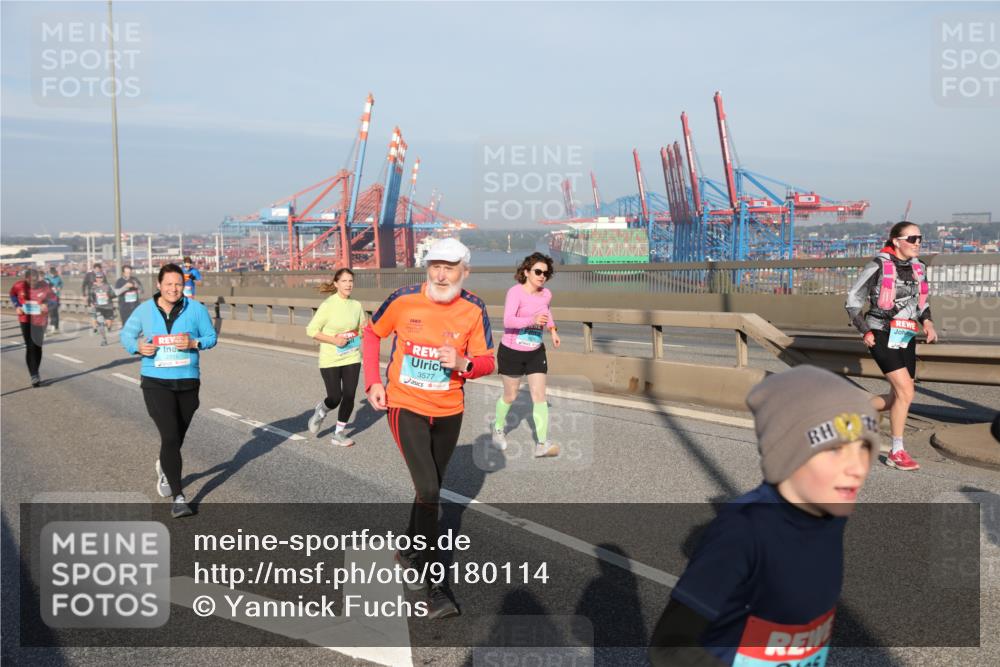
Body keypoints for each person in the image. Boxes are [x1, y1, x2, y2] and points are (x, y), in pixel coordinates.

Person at [649, 365, 877, 666]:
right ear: (788, 452)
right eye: (836, 449)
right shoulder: (743, 530)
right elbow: (668, 648)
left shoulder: (831, 517)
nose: (858, 468)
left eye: (864, 448)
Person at [362, 237, 495, 619]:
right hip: (406, 405)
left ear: (464, 272)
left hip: (449, 410)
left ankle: (407, 550)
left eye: (449, 267)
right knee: (430, 490)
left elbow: (489, 361)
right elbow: (371, 333)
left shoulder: (473, 309)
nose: (440, 274)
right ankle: (431, 586)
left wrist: (463, 362)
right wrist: (373, 381)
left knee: (427, 494)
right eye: (435, 265)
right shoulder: (403, 300)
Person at [120, 263, 217, 519]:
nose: (174, 289)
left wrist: (195, 342)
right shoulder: (144, 310)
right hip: (155, 380)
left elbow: (211, 338)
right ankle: (179, 497)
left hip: (187, 381)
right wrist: (139, 347)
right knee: (171, 436)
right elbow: (126, 336)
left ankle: (164, 464)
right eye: (169, 284)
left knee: (175, 438)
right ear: (159, 285)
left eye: (178, 284)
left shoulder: (196, 309)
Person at [845, 221, 936, 472]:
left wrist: (928, 323)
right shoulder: (878, 265)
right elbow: (853, 301)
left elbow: (921, 302)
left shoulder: (920, 267)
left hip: (904, 334)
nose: (918, 243)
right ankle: (896, 451)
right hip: (880, 333)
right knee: (907, 391)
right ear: (896, 241)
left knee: (896, 396)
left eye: (920, 238)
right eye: (912, 238)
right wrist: (865, 331)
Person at [492, 252, 561, 457]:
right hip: (512, 351)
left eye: (545, 273)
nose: (542, 276)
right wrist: (532, 319)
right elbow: (508, 321)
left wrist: (553, 330)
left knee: (539, 396)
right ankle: (497, 429)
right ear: (526, 272)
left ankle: (542, 443)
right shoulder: (515, 292)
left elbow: (546, 312)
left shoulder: (546, 294)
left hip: (535, 351)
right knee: (510, 395)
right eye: (538, 272)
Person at [306, 268, 366, 446]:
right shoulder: (328, 305)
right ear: (336, 284)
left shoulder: (356, 305)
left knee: (349, 395)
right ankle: (321, 411)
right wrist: (334, 340)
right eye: (345, 281)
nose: (348, 284)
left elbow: (362, 330)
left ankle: (339, 433)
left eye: (351, 281)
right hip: (330, 358)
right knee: (335, 397)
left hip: (351, 356)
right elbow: (311, 330)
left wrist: (362, 331)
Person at [9, 269, 56, 387]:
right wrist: (17, 306)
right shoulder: (19, 285)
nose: (33, 283)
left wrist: (47, 305)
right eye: (31, 281)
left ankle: (35, 371)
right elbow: (12, 294)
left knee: (37, 346)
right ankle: (34, 375)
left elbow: (54, 299)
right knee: (30, 346)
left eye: (35, 280)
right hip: (25, 319)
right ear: (26, 279)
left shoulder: (44, 285)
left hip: (40, 320)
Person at [87, 272, 117, 345]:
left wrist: (108, 296)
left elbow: (114, 295)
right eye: (97, 277)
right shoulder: (93, 287)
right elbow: (91, 296)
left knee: (109, 323)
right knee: (101, 323)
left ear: (103, 278)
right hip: (98, 307)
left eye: (101, 277)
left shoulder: (108, 286)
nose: (99, 279)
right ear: (96, 278)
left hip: (108, 307)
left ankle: (109, 327)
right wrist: (91, 303)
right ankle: (104, 339)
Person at [81, 261, 103, 333]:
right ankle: (94, 327)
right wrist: (84, 295)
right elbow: (84, 285)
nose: (97, 270)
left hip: (100, 296)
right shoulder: (89, 275)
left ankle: (98, 323)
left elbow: (106, 285)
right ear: (94, 269)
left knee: (99, 312)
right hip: (91, 296)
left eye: (99, 269)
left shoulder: (102, 276)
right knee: (93, 312)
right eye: (96, 269)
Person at [44, 266, 63, 333]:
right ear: (49, 272)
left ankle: (55, 327)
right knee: (49, 313)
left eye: (54, 273)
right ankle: (48, 327)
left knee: (55, 312)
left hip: (56, 296)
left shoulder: (58, 278)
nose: (53, 274)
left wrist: (59, 287)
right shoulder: (46, 277)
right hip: (48, 297)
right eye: (52, 273)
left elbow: (61, 284)